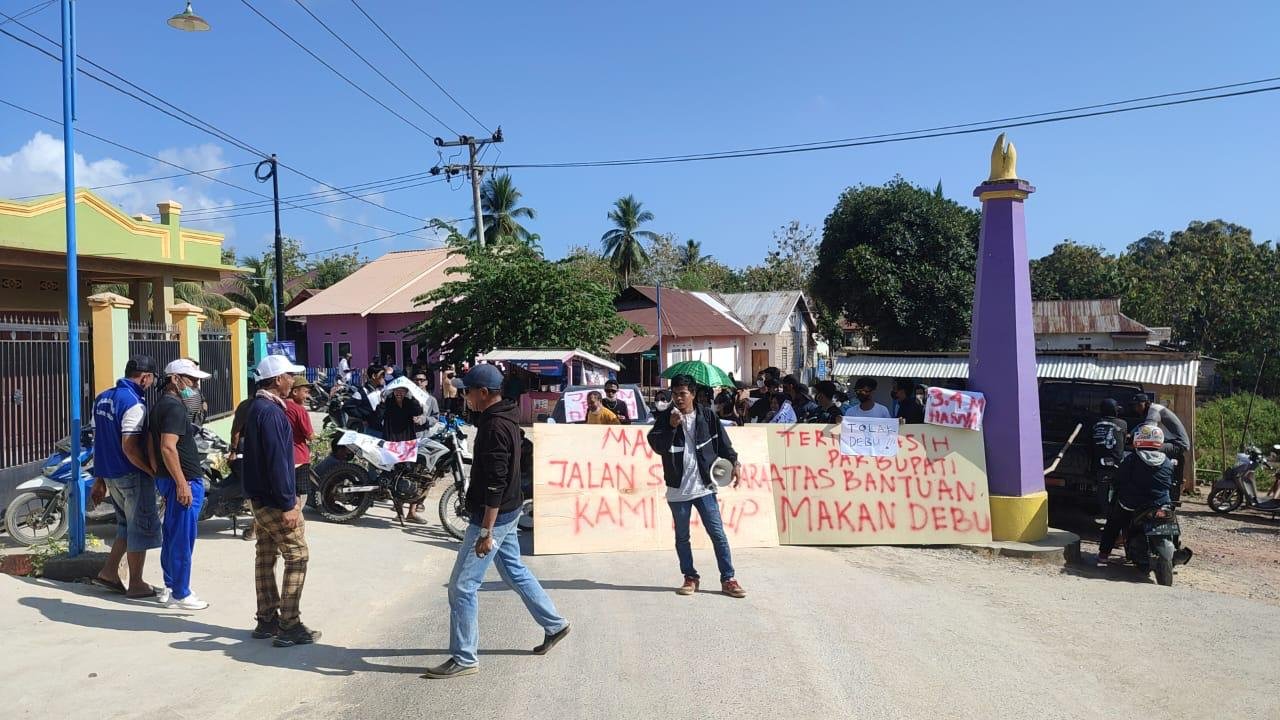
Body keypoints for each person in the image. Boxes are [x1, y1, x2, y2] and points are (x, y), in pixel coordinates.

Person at [425, 364, 570, 679]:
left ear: (484, 392)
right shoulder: (507, 415)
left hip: (494, 515)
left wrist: (486, 530)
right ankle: (555, 624)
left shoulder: (494, 427)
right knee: (513, 570)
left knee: (462, 586)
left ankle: (464, 658)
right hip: (509, 508)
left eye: (468, 391)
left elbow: (495, 480)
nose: (464, 396)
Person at [243, 354, 321, 647]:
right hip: (275, 500)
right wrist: (289, 503)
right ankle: (289, 624)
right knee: (297, 555)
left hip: (259, 497)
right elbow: (278, 462)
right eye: (290, 376)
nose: (293, 381)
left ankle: (267, 620)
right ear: (278, 380)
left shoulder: (256, 407)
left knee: (265, 554)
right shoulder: (274, 413)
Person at [647, 373, 746, 598]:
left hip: (704, 487)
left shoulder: (707, 416)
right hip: (678, 489)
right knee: (682, 537)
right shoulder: (665, 418)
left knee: (717, 534)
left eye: (683, 394)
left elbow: (724, 445)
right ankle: (690, 577)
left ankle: (728, 578)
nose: (678, 399)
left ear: (693, 394)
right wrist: (671, 427)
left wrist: (735, 463)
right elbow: (657, 446)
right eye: (675, 394)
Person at [90, 355, 162, 599]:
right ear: (145, 377)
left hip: (110, 475)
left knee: (125, 526)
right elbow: (130, 447)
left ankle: (109, 573)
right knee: (139, 528)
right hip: (131, 475)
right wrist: (151, 471)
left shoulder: (102, 398)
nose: (151, 384)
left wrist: (99, 479)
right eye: (151, 379)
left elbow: (98, 440)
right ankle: (137, 583)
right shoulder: (133, 403)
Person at [150, 358, 212, 610]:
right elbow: (167, 447)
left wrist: (161, 475)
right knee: (183, 538)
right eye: (191, 380)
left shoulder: (162, 405)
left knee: (173, 534)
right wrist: (182, 484)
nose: (195, 385)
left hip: (171, 479)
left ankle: (171, 585)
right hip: (183, 480)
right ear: (175, 379)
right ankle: (181, 592)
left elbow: (153, 446)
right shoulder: (174, 408)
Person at [1096, 424, 1175, 567]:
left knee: (1114, 522)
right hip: (1161, 503)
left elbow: (1120, 478)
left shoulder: (1132, 459)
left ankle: (1104, 555)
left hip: (1132, 503)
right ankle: (1175, 549)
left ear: (1139, 438)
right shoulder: (1167, 462)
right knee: (1171, 521)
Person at [1129, 392, 1190, 500]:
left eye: (1139, 405)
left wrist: (1131, 437)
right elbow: (1142, 426)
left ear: (1146, 403)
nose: (1136, 408)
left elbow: (1147, 431)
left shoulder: (1154, 410)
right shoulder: (1152, 410)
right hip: (1170, 441)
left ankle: (1147, 481)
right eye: (1135, 406)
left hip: (1178, 444)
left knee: (1148, 450)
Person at [284, 375, 316, 516]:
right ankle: (294, 519)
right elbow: (309, 435)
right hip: (299, 457)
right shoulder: (299, 410)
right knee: (299, 494)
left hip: (283, 457)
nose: (307, 396)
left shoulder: (280, 406)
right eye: (305, 392)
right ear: (295, 391)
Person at [1090, 398, 1129, 512]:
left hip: (1099, 464)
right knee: (1119, 489)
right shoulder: (1123, 423)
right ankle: (1115, 513)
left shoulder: (1094, 423)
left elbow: (1089, 443)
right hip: (1117, 463)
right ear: (1114, 411)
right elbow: (1124, 441)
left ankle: (1106, 511)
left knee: (1102, 491)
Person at [179, 358, 207, 426]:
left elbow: (203, 402)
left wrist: (202, 415)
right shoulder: (181, 390)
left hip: (196, 425)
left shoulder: (196, 388)